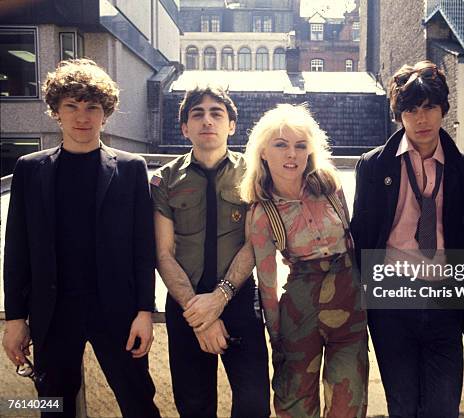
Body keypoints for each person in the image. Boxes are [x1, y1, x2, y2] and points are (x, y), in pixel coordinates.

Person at [2, 59, 160, 418]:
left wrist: (143, 310)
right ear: (56, 111)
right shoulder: (29, 168)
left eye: (92, 107)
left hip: (117, 311)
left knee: (138, 402)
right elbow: (17, 250)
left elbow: (142, 247)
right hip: (53, 312)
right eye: (71, 106)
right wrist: (15, 318)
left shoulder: (131, 168)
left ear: (105, 113)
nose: (82, 117)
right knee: (52, 407)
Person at [350, 61, 464, 417]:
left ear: (443, 110)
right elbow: (360, 235)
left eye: (429, 108)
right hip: (392, 300)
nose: (421, 119)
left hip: (443, 300)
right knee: (403, 406)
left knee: (443, 406)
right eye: (411, 110)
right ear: (399, 115)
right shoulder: (374, 166)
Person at [238, 103, 369, 417]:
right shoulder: (262, 212)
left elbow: (351, 243)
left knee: (347, 403)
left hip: (348, 302)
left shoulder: (328, 185)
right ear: (263, 153)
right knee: (295, 404)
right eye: (281, 145)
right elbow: (267, 285)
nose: (291, 155)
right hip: (300, 309)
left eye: (300, 146)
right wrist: (277, 340)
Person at [151, 85, 270, 418]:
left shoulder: (255, 174)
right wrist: (200, 316)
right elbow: (163, 253)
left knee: (254, 404)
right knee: (194, 407)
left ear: (231, 125)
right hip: (185, 305)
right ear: (184, 128)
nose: (207, 121)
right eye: (197, 114)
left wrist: (218, 300)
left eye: (217, 113)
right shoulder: (164, 180)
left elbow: (253, 244)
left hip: (240, 301)